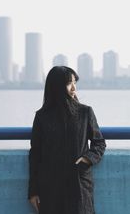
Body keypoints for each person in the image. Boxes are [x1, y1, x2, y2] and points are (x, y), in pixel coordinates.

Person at [28, 66, 106, 214]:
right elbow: (35, 154)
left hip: (79, 184)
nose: (73, 88)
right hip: (50, 186)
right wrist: (33, 191)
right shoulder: (42, 117)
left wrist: (88, 159)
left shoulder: (85, 112)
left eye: (74, 82)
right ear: (56, 87)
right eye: (69, 83)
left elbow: (99, 142)